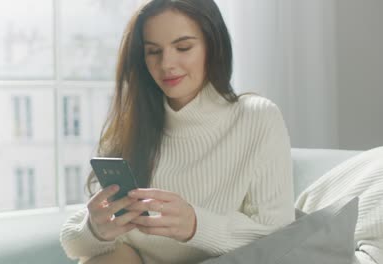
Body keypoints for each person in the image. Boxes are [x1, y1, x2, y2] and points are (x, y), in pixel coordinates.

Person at [60, 0, 295, 263]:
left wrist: (196, 225)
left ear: (213, 46)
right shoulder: (133, 123)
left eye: (183, 47)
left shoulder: (257, 117)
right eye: (153, 52)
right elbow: (74, 243)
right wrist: (95, 230)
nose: (166, 64)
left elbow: (280, 237)